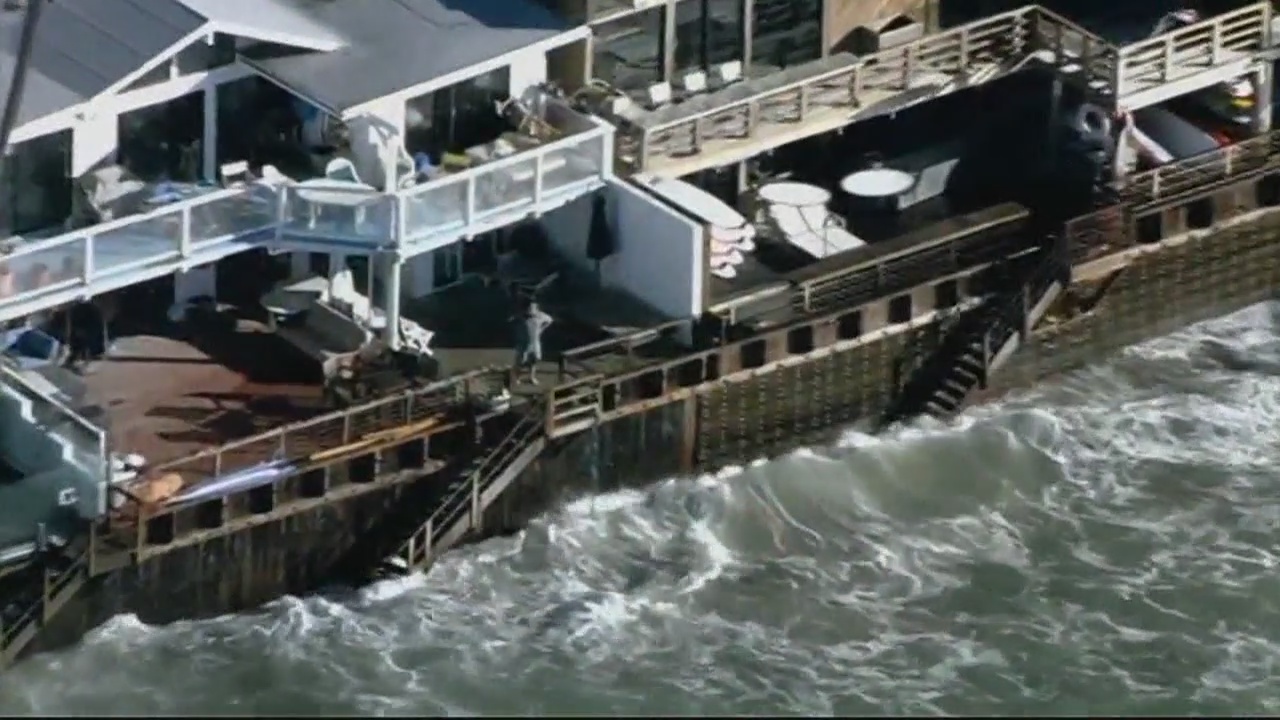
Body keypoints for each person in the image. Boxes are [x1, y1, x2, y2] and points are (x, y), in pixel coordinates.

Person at [513, 301, 553, 385]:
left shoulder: (540, 316)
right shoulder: (523, 316)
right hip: (524, 342)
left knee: (533, 361)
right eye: (529, 308)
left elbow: (550, 320)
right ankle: (517, 377)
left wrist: (542, 329)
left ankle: (532, 377)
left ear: (537, 309)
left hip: (535, 342)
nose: (530, 310)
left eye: (532, 308)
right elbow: (514, 320)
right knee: (521, 361)